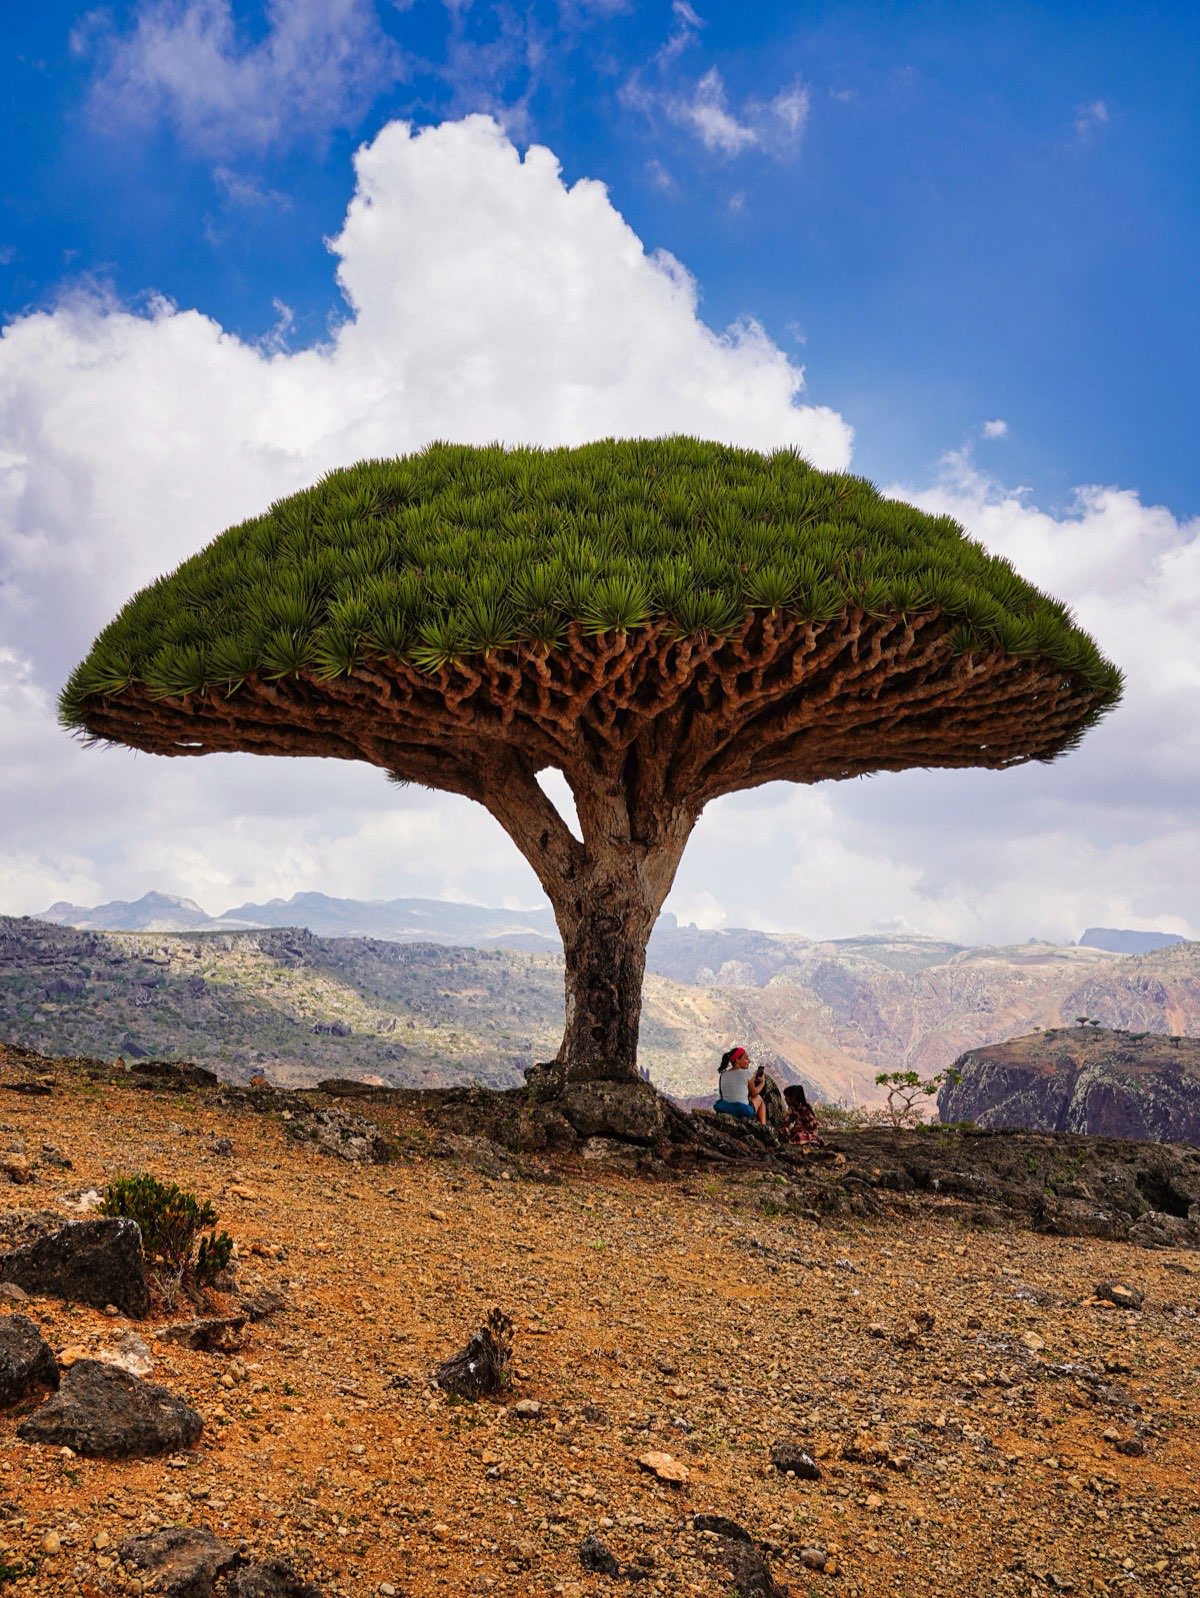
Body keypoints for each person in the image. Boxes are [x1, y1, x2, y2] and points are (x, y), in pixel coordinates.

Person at [714, 1045, 767, 1126]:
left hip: (724, 1108)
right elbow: (754, 1094)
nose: (749, 1061)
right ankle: (763, 1126)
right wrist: (762, 1082)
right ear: (738, 1060)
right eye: (746, 1058)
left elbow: (722, 1094)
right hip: (742, 1111)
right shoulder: (747, 1073)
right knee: (759, 1099)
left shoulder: (723, 1074)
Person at [779, 1083, 822, 1147]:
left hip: (805, 1132)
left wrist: (802, 1128)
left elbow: (813, 1124)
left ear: (793, 1097)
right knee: (783, 1130)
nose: (785, 1099)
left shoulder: (804, 1109)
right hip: (794, 1131)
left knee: (798, 1136)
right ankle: (799, 1142)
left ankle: (815, 1139)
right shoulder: (792, 1110)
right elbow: (786, 1122)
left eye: (786, 1097)